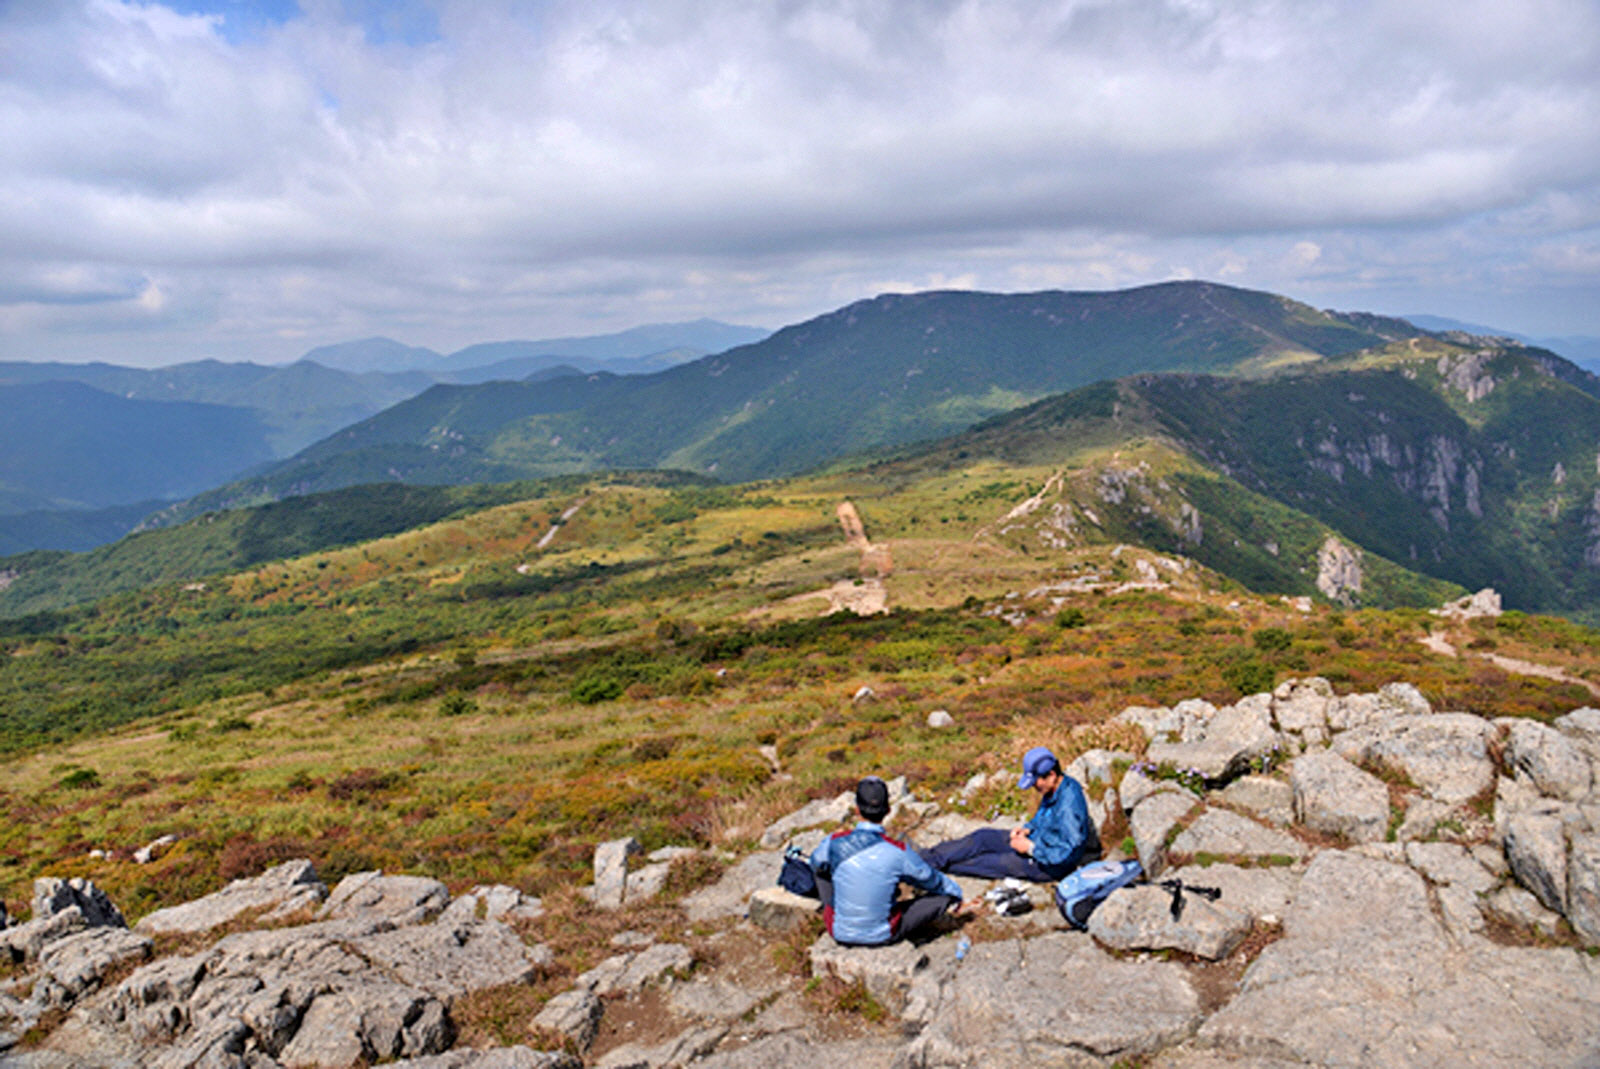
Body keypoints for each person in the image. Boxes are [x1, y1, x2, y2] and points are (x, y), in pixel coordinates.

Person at [809, 776, 965, 945]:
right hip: (883, 934)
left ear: (856, 809)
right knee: (943, 897)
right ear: (888, 810)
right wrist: (956, 893)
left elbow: (815, 862)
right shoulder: (899, 850)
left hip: (838, 931)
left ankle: (838, 912)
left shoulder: (834, 841)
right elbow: (930, 879)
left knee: (821, 870)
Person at [920, 747, 1099, 881]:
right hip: (1037, 840)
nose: (1035, 788)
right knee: (982, 837)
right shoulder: (1054, 788)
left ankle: (928, 869)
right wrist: (1027, 829)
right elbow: (1042, 817)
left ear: (1051, 775)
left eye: (1035, 782)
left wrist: (1031, 849)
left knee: (987, 861)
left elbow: (1069, 851)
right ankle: (926, 858)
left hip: (1048, 865)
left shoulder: (1069, 805)